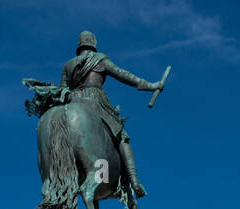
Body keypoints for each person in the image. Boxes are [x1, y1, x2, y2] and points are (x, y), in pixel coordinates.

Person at [59, 31, 164, 197]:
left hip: (72, 102)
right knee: (122, 135)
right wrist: (150, 85)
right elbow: (124, 75)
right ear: (93, 43)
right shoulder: (100, 59)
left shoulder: (68, 65)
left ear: (79, 45)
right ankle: (134, 182)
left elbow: (62, 89)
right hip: (95, 101)